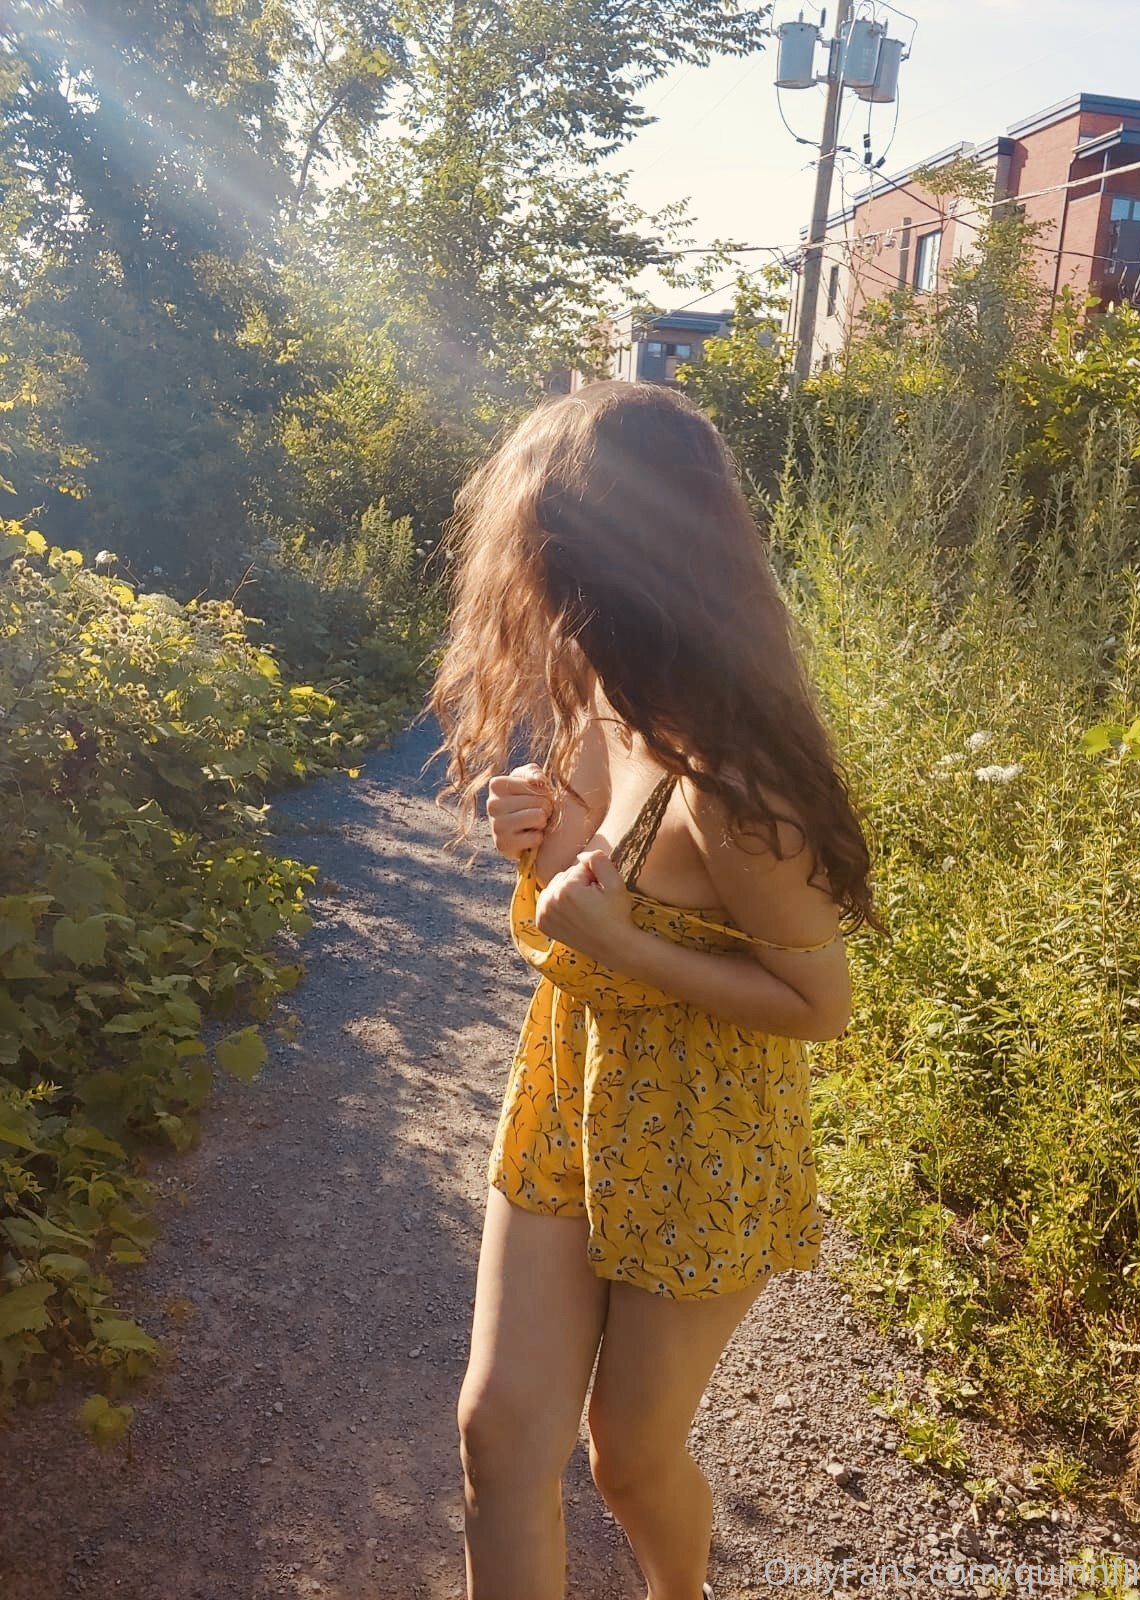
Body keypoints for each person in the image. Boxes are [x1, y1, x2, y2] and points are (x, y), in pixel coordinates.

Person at [426, 379, 883, 1600]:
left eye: (534, 552)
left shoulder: (736, 779)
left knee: (626, 1456)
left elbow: (822, 1006)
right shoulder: (600, 705)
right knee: (497, 1435)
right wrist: (532, 836)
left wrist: (632, 948)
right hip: (568, 1089)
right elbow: (579, 903)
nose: (519, 586)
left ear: (593, 560)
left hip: (705, 1131)